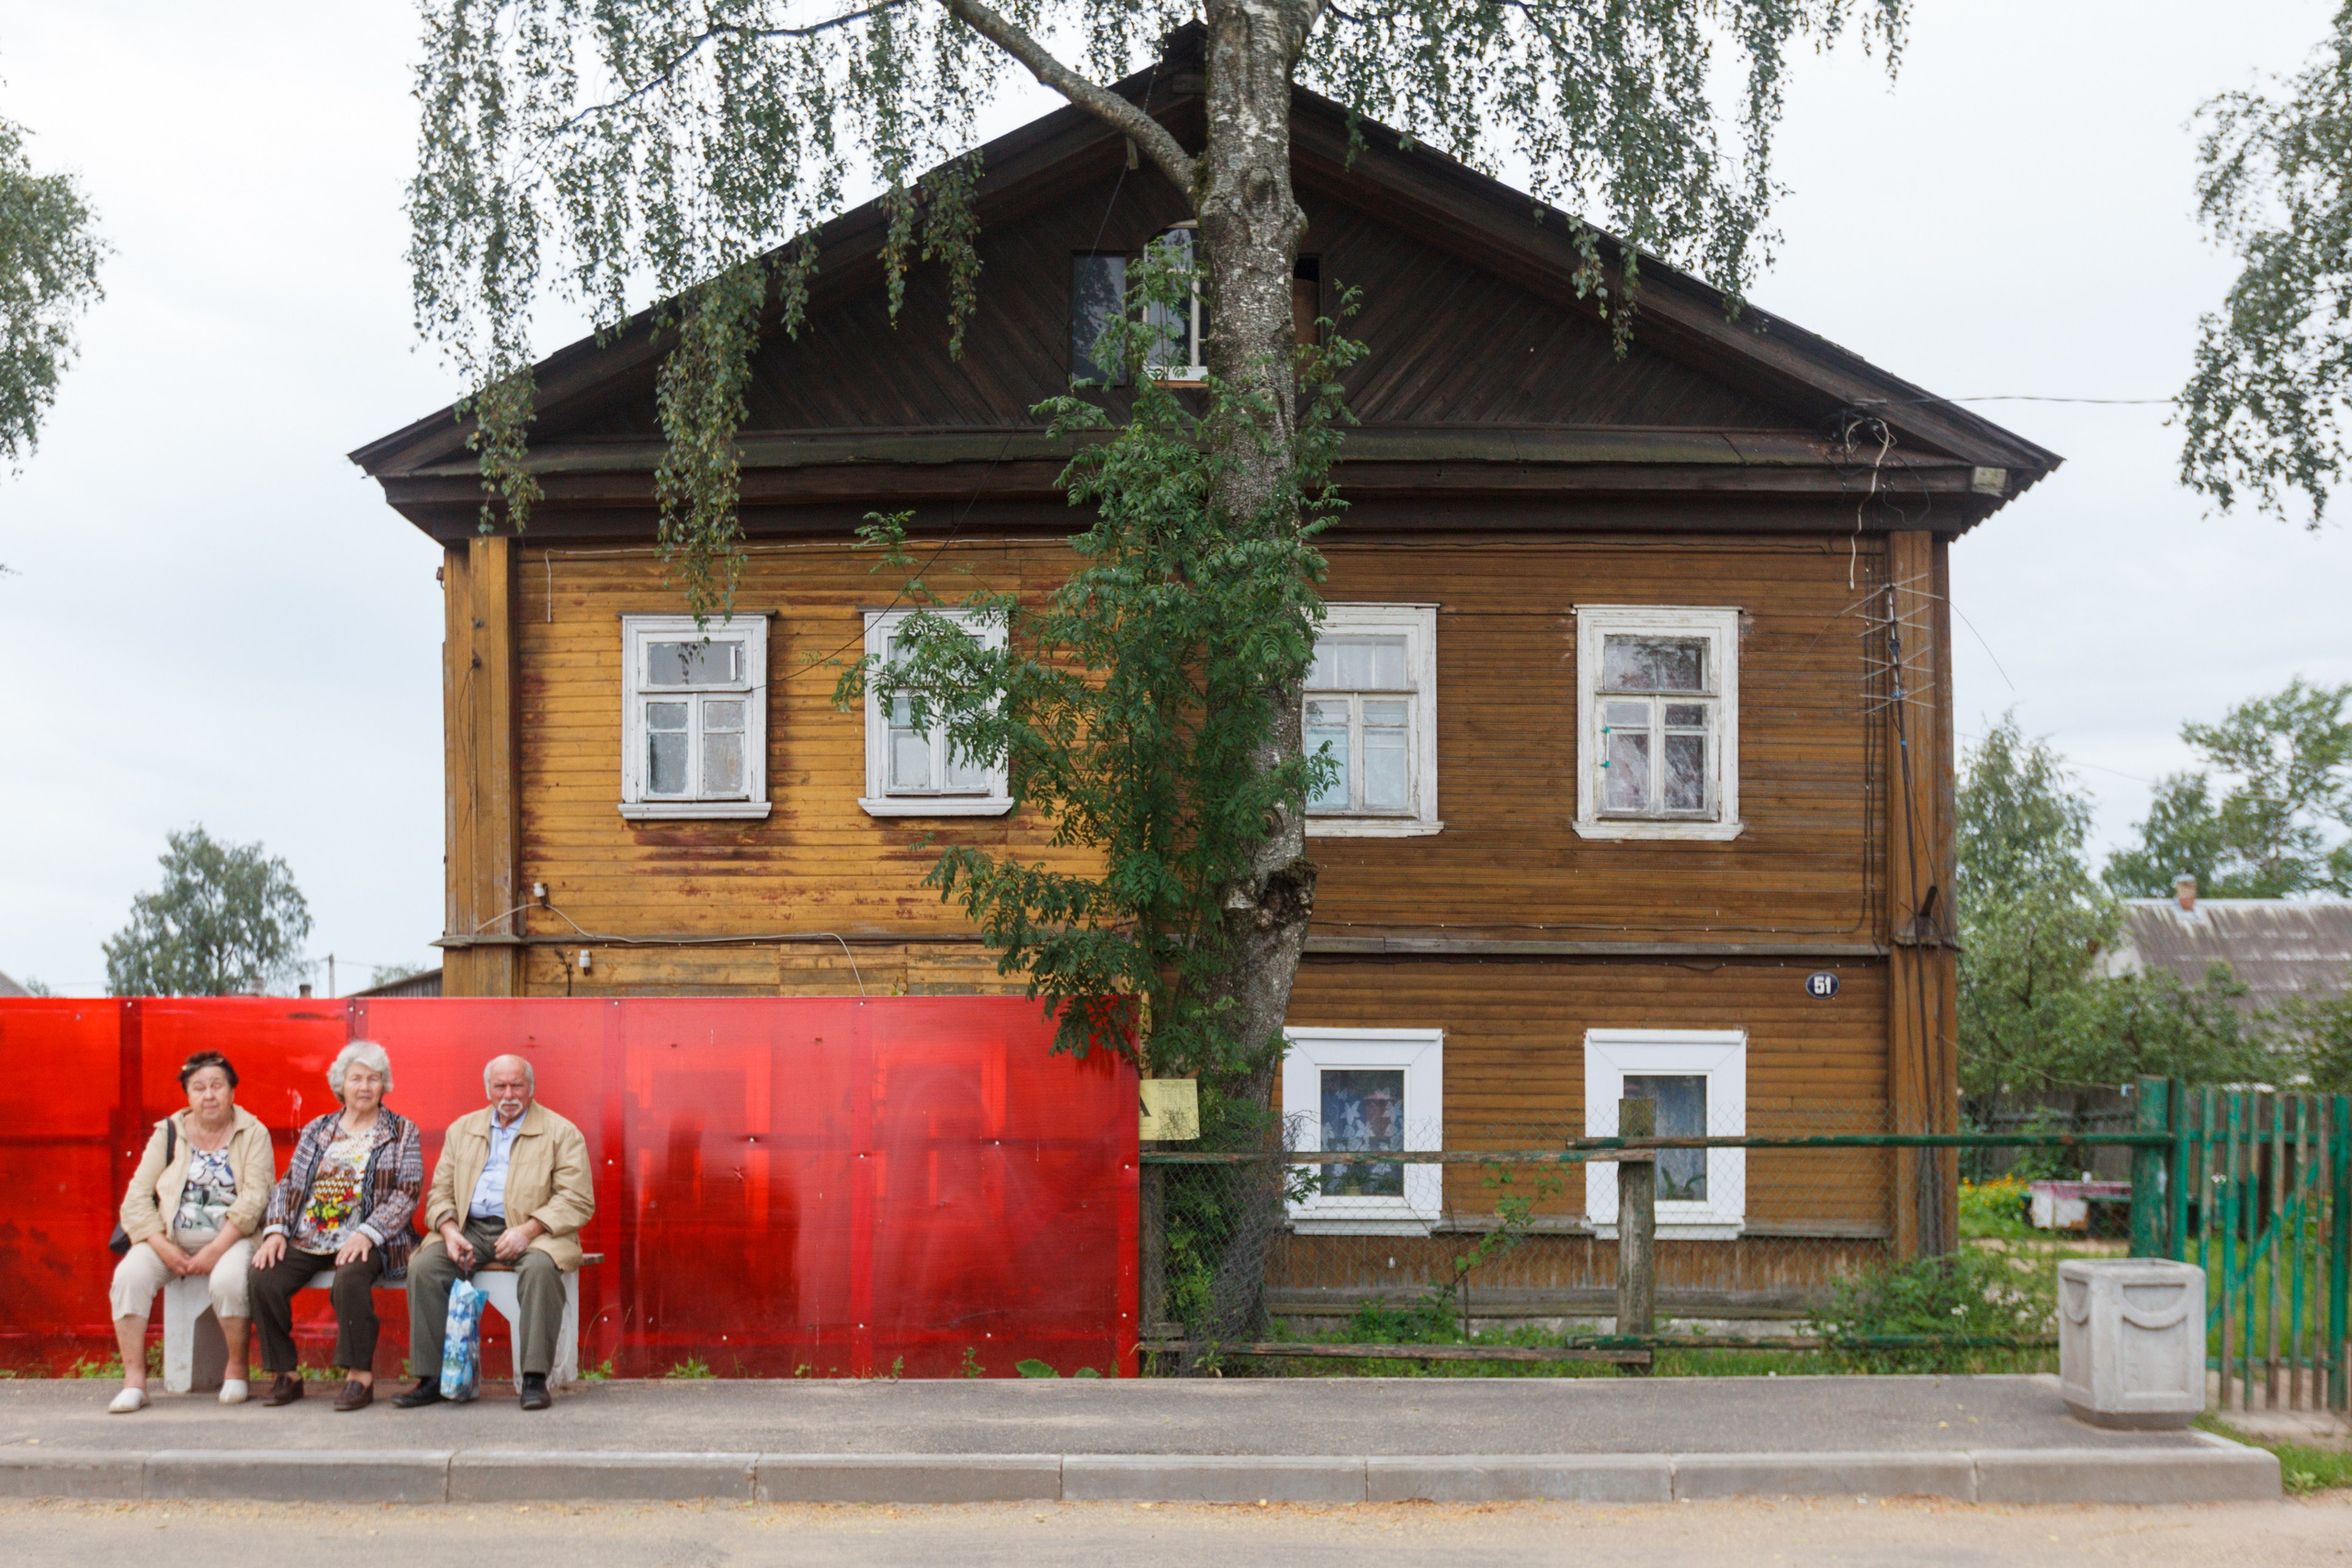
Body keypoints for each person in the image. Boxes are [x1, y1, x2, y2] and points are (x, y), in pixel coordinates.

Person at [395, 1054, 594, 1412]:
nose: (509, 1094)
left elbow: (577, 1200)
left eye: (517, 1084)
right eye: (500, 1085)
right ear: (487, 1089)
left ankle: (534, 1378)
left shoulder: (561, 1132)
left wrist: (528, 1229)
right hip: (469, 1229)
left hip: (535, 1230)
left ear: (531, 1088)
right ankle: (430, 1378)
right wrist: (450, 1230)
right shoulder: (463, 1129)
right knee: (424, 1267)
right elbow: (439, 1192)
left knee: (539, 1270)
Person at [246, 1041, 423, 1412]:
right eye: (356, 1078)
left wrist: (366, 1233)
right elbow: (290, 1182)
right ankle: (286, 1373)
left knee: (351, 1277)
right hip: (310, 1233)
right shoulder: (318, 1129)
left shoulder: (403, 1131)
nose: (364, 1087)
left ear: (383, 1085)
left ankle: (359, 1376)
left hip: (372, 1235)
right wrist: (276, 1229)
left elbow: (407, 1193)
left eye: (373, 1079)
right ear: (340, 1084)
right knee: (264, 1276)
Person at [106, 1050, 276, 1413]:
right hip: (170, 1240)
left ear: (232, 1091)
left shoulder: (253, 1132)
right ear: (187, 1095)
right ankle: (135, 1381)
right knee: (129, 1277)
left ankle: (236, 1369)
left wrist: (214, 1250)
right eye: (198, 1088)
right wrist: (161, 1246)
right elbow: (136, 1199)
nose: (208, 1095)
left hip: (233, 1240)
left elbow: (256, 1199)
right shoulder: (168, 1133)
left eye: (217, 1085)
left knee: (228, 1282)